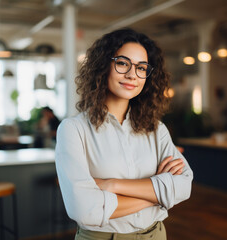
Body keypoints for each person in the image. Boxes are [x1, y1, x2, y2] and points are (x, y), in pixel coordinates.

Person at [55, 28, 193, 240]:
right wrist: (161, 193)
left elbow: (184, 185)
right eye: (122, 63)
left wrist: (112, 185)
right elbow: (84, 209)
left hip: (155, 235)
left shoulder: (156, 129)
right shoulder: (73, 129)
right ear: (103, 66)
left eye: (141, 67)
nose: (132, 74)